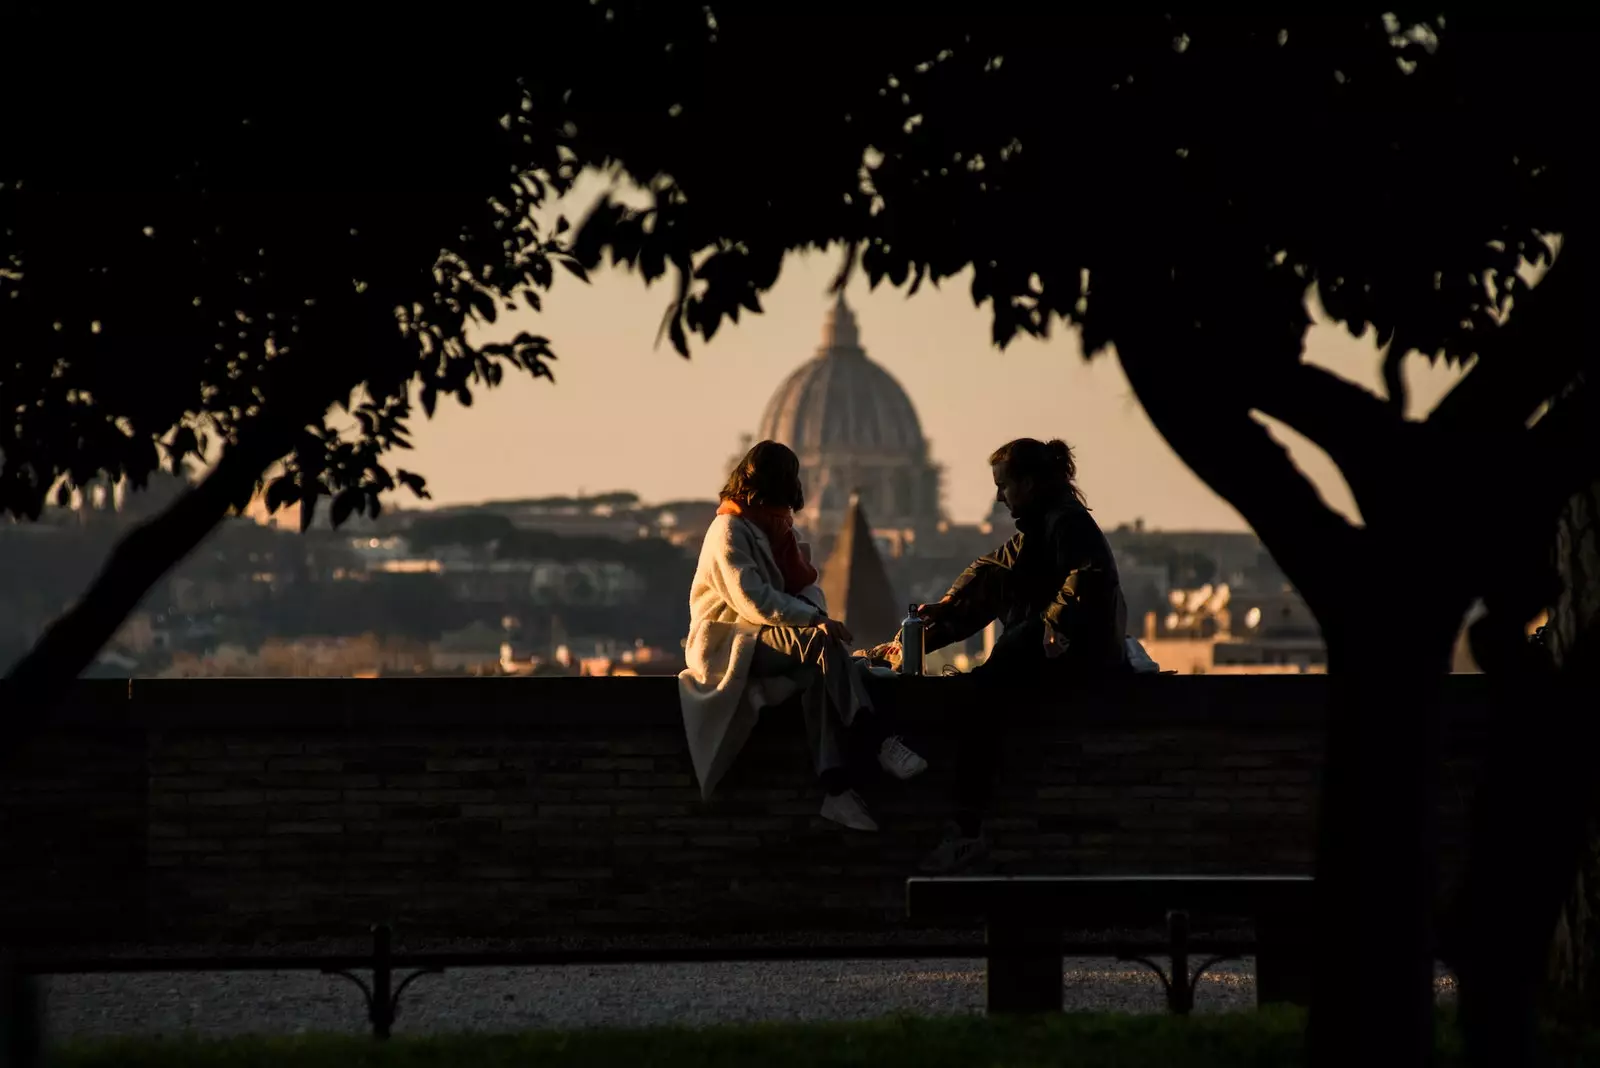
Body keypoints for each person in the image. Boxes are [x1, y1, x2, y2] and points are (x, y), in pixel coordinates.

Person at [872, 438, 1129, 871]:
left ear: (1028, 483)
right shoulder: (1045, 523)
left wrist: (1053, 625)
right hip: (1063, 650)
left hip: (1075, 657)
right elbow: (994, 573)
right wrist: (941, 615)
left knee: (981, 702)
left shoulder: (1065, 522)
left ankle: (967, 831)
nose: (998, 497)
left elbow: (1088, 574)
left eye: (1003, 486)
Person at [679, 440, 928, 832]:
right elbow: (753, 600)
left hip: (769, 635)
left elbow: (807, 585)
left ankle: (836, 789)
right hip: (730, 639)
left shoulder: (776, 529)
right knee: (817, 642)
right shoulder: (727, 529)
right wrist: (814, 621)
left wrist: (814, 614)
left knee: (817, 674)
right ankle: (876, 737)